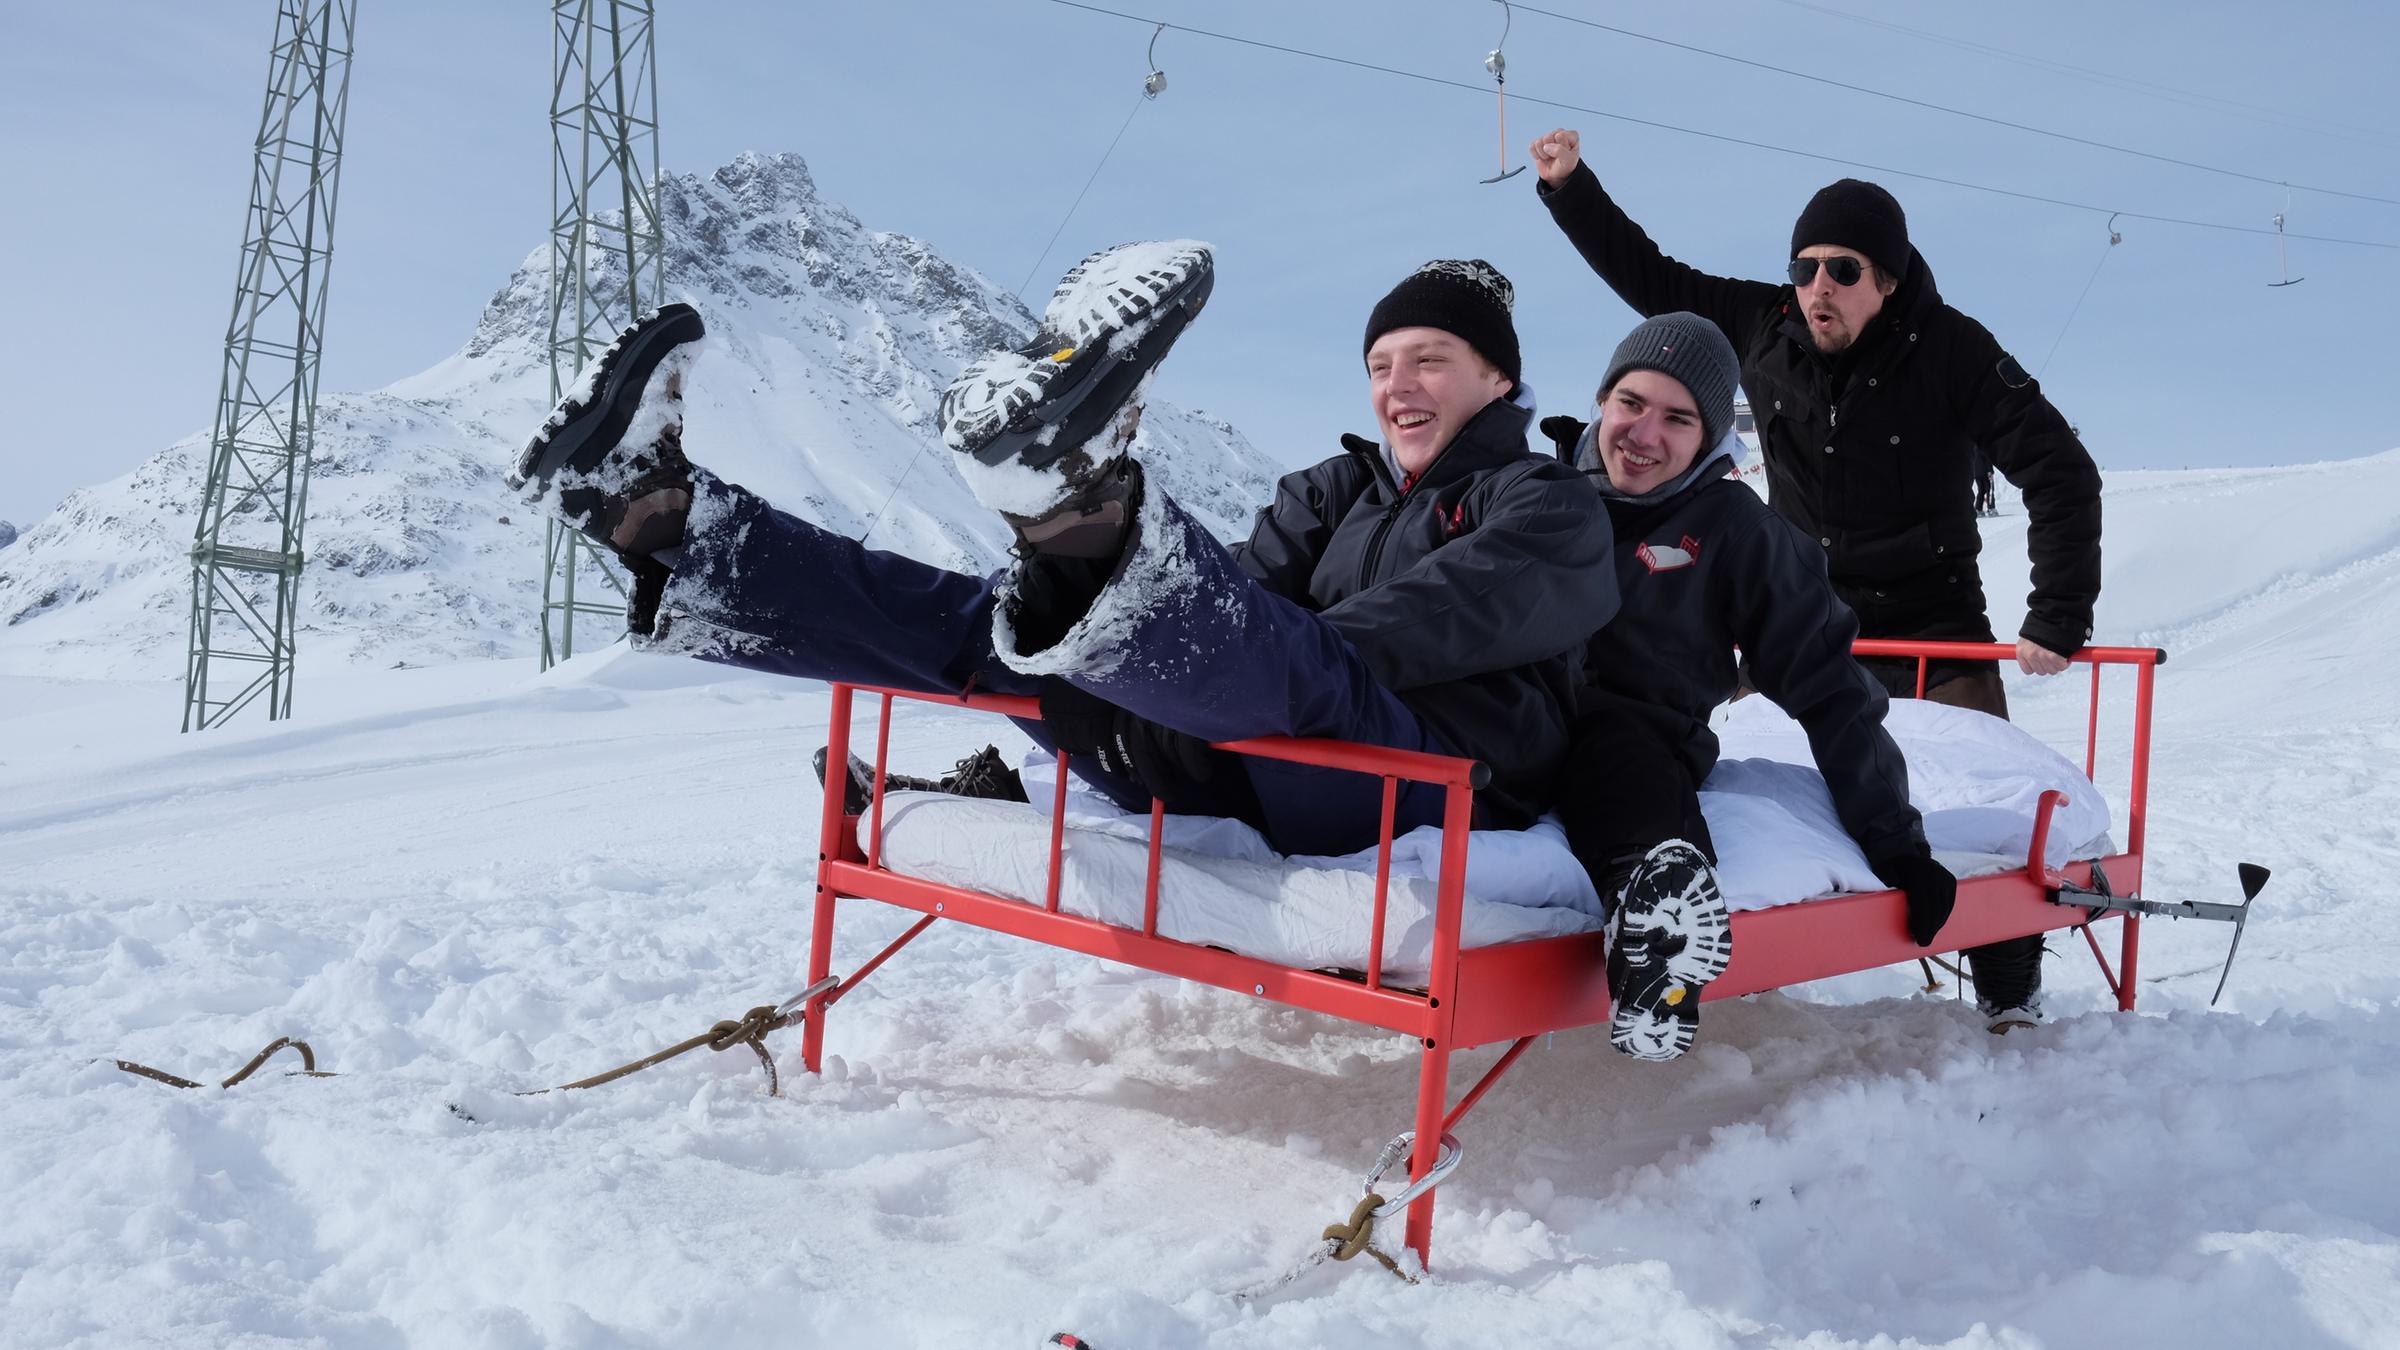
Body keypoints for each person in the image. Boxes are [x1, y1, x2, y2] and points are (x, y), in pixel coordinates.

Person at [508, 243, 1616, 868]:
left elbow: (1419, 632)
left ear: (1501, 381)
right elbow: (1247, 606)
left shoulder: (1550, 505)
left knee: (1273, 653)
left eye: (1430, 359)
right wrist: (1129, 655)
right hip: (1245, 763)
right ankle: (662, 517)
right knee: (998, 624)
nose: (1398, 386)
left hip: (1436, 788)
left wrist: (1207, 658)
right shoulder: (1331, 490)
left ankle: (1078, 503)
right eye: (1381, 364)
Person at [1527, 128, 2102, 1034]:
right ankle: (1745, 955)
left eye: (1842, 268)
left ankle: (2007, 991)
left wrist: (2057, 612)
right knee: (1755, 781)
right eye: (1804, 267)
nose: (1817, 287)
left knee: (1973, 807)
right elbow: (1655, 283)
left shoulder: (1955, 350)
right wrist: (1568, 188)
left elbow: (2061, 470)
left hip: (1932, 623)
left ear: (1891, 280)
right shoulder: (1766, 326)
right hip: (1792, 615)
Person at [1540, 312, 1955, 1061]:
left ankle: (1659, 928)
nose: (1643, 433)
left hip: (1633, 742)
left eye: (1677, 418)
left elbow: (1827, 682)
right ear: (1604, 400)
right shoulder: (1539, 493)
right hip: (1516, 725)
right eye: (1631, 403)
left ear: (1710, 437)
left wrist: (1897, 842)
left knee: (1624, 759)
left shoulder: (1735, 528)